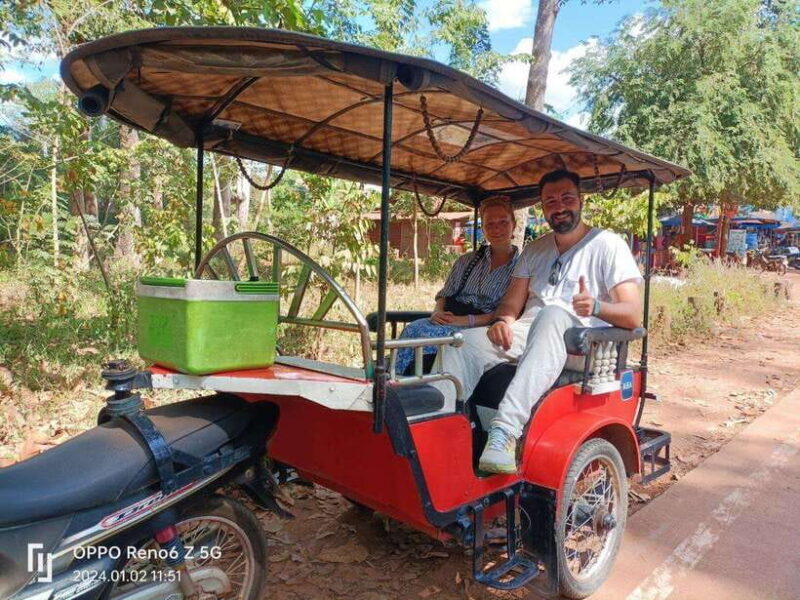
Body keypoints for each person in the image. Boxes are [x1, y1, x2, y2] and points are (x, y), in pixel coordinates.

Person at [434, 169, 643, 474]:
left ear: (580, 200)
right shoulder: (536, 249)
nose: (559, 207)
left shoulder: (608, 245)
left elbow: (633, 313)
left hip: (582, 344)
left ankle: (505, 431)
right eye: (550, 201)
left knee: (553, 314)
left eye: (567, 198)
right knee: (461, 344)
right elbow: (511, 303)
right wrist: (503, 320)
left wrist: (597, 305)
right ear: (543, 208)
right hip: (529, 333)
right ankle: (444, 430)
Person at [394, 197, 519, 375]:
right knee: (414, 328)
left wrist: (466, 321)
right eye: (489, 224)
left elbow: (511, 311)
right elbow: (445, 295)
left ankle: (431, 387)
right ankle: (398, 385)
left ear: (513, 224)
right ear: (482, 228)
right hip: (452, 317)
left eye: (503, 222)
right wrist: (437, 312)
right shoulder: (467, 261)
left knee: (437, 338)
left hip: (487, 326)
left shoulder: (522, 267)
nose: (496, 229)